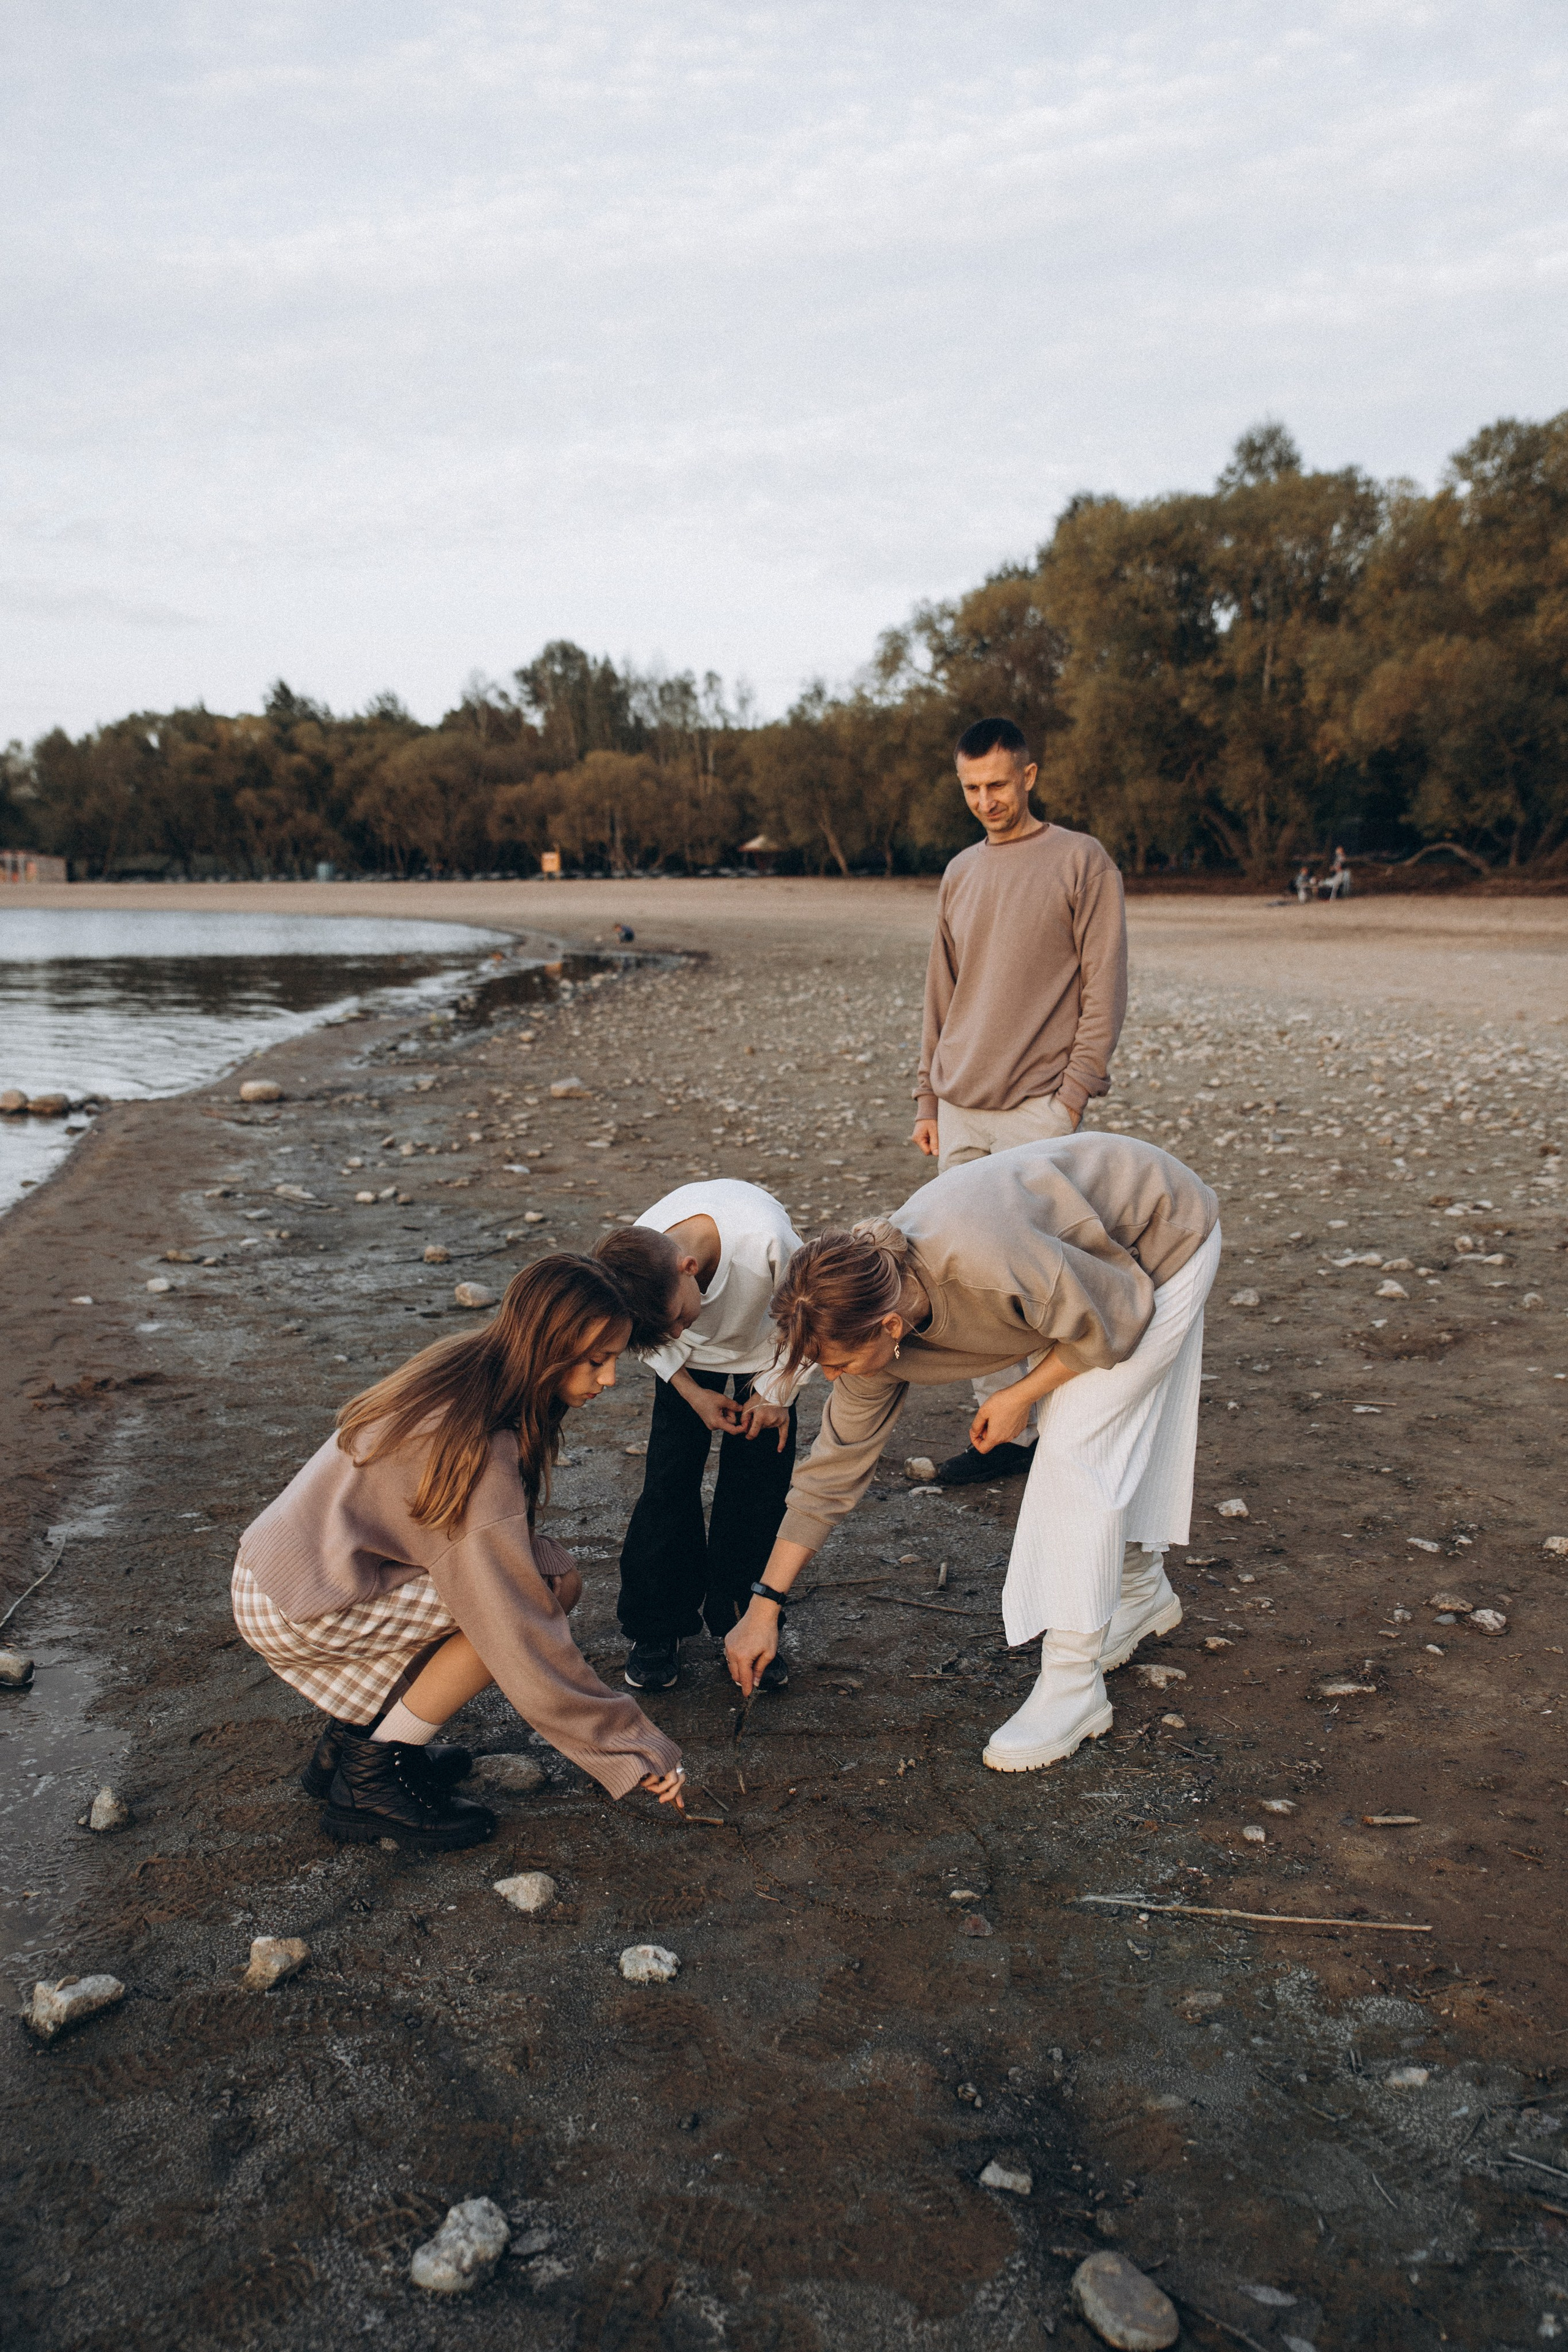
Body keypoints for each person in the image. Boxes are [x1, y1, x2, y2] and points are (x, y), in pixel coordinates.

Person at [723, 1136, 1221, 1774]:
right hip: (1080, 1271)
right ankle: (1138, 1590)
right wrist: (766, 1605)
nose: (830, 1374)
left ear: (891, 1329)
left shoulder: (984, 1261)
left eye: (836, 1362)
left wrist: (1020, 1395)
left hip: (1158, 1236)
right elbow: (833, 1469)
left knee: (1073, 1447)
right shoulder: (864, 1322)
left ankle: (1073, 1689)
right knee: (1084, 1428)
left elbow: (1119, 1313)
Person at [232, 1255, 685, 1849]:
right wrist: (632, 1746)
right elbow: (516, 1629)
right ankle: (372, 1778)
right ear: (548, 1347)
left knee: (550, 1577)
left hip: (287, 1572)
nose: (607, 1380)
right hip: (296, 1600)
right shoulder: (480, 1444)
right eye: (596, 1361)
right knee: (529, 1600)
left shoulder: (473, 1365)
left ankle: (353, 1741)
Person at [912, 715, 1128, 1487]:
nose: (985, 801)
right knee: (964, 1276)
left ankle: (1055, 1432)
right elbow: (941, 991)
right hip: (960, 1104)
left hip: (1040, 1107)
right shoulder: (960, 870)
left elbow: (1105, 991)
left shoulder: (1081, 861)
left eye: (997, 785)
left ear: (1029, 776)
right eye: (971, 788)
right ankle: (996, 1442)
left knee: (1041, 1273)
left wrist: (1070, 1100)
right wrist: (927, 1101)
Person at [595, 1181, 812, 1692]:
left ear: (688, 1268)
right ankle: (656, 1627)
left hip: (771, 1349)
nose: (673, 1330)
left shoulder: (767, 1240)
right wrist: (690, 1390)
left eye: (674, 1319)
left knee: (758, 1488)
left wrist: (776, 1392)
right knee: (669, 1481)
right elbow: (654, 1336)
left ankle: (747, 1623)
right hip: (688, 1370)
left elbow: (813, 1315)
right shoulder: (641, 1257)